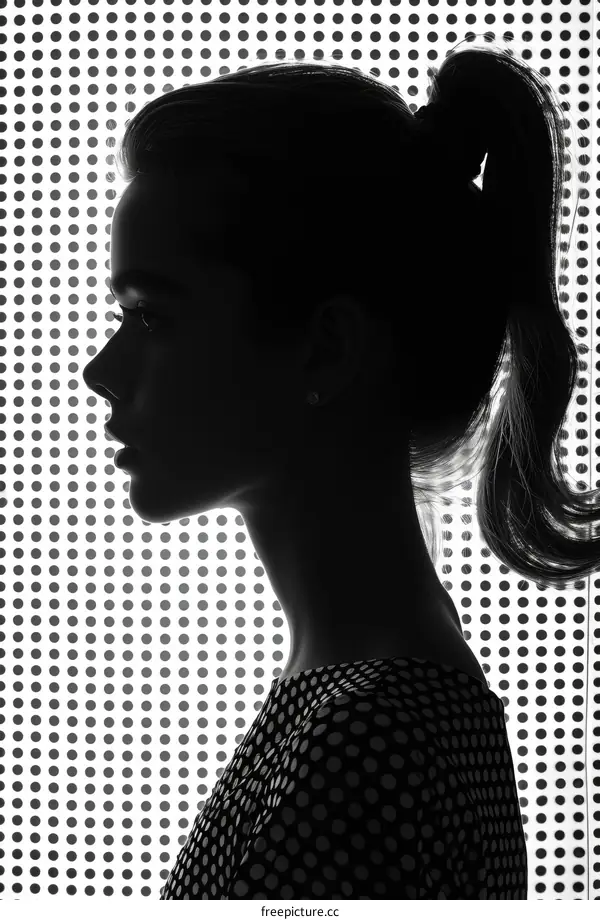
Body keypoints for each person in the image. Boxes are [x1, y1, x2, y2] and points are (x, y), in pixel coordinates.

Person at [83, 39, 591, 898]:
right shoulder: (367, 706)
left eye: (152, 318)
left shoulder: (361, 747)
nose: (101, 369)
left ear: (326, 349)